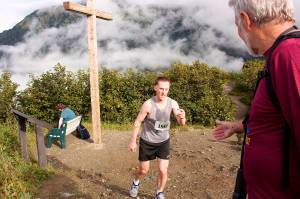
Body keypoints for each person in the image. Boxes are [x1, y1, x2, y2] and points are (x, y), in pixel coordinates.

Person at [213, 0, 300, 198]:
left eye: (237, 25)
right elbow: (282, 120)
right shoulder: (280, 55)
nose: (238, 33)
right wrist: (240, 126)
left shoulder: (290, 56)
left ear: (246, 19)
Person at [128, 76, 186, 199]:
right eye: (161, 88)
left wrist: (182, 117)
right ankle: (135, 182)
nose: (163, 92)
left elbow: (181, 123)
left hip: (163, 142)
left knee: (163, 170)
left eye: (166, 89)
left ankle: (159, 192)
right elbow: (137, 122)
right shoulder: (148, 104)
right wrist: (133, 141)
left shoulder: (172, 103)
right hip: (147, 142)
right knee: (144, 170)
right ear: (155, 88)